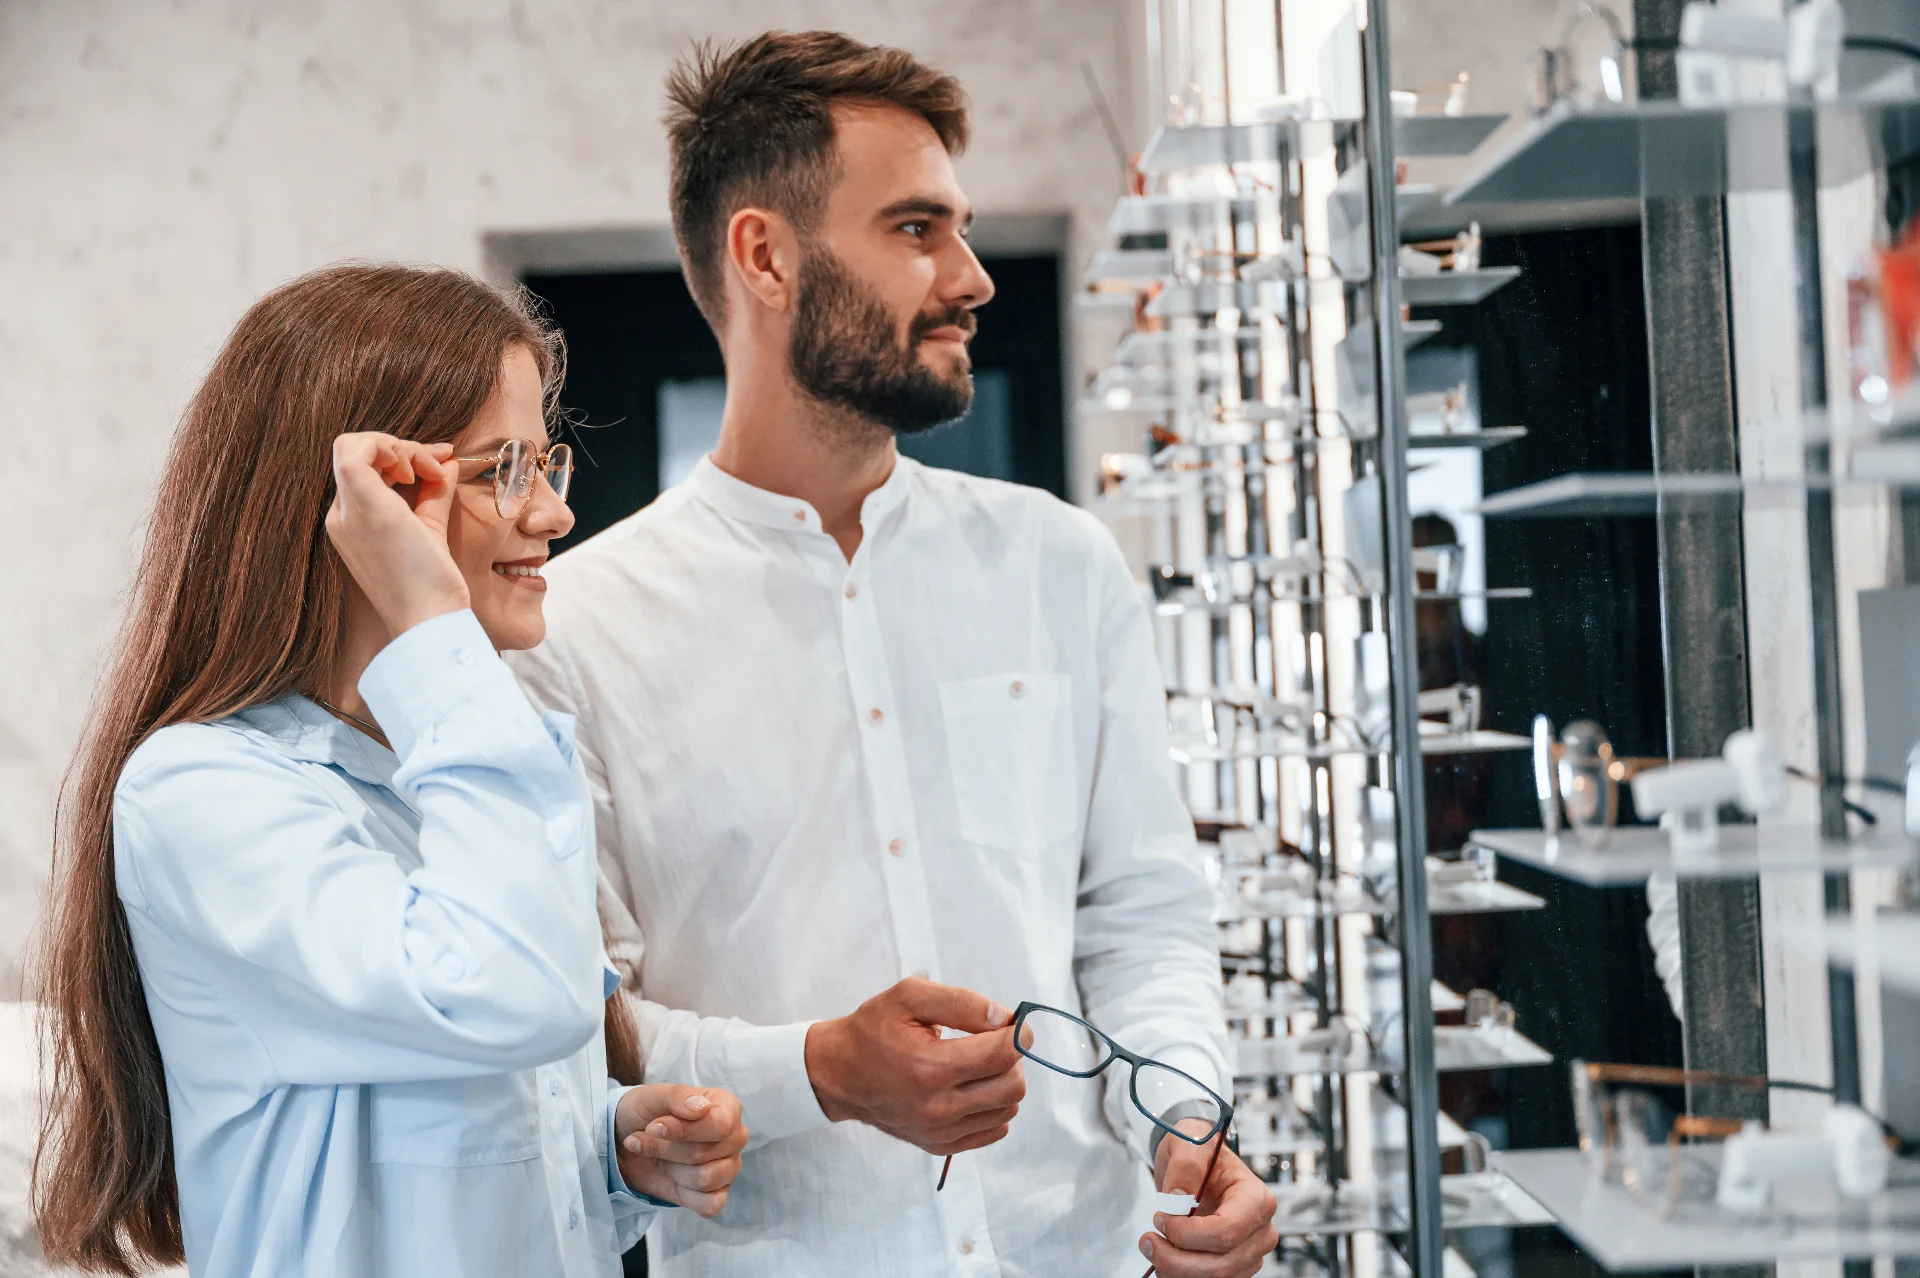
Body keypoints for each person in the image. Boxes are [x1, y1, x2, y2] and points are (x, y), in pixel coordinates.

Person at [508, 32, 1279, 1278]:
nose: (972, 277)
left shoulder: (1061, 566)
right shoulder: (580, 629)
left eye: (960, 230)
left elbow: (1141, 921)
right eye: (917, 229)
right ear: (765, 255)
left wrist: (1187, 1126)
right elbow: (586, 1032)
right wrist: (823, 1071)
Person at [32, 264, 748, 1278]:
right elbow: (508, 994)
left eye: (548, 464)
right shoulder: (204, 795)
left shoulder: (454, 763)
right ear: (361, 504)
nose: (551, 514)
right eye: (504, 469)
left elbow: (442, 1147)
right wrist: (432, 624)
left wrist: (606, 1154)